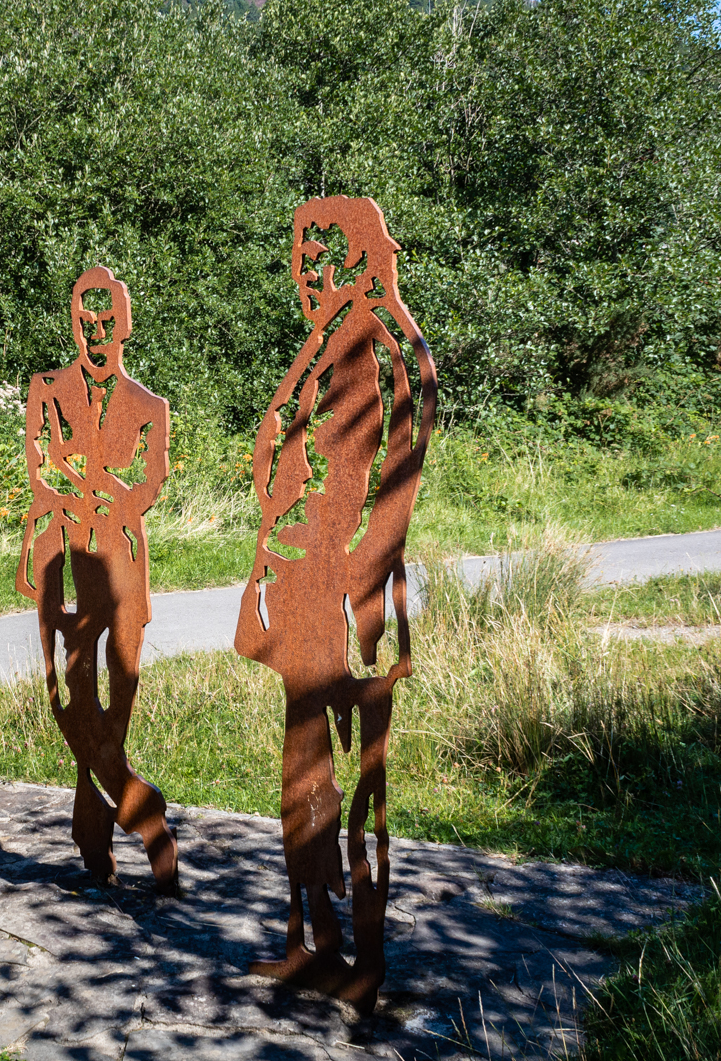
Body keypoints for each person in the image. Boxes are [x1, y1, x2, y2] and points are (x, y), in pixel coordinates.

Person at [235, 197, 437, 1012]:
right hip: (301, 586)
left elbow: (393, 488)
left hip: (350, 601)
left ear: (358, 258)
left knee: (357, 784)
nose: (308, 272)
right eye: (301, 256)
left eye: (324, 256)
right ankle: (308, 938)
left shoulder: (380, 346)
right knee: (302, 770)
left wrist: (358, 590)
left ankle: (366, 957)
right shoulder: (324, 342)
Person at [16, 266, 178, 892]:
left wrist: (120, 498)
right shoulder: (47, 389)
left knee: (120, 689)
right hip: (62, 555)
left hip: (122, 557)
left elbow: (154, 478)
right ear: (74, 324)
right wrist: (65, 494)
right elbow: (38, 468)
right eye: (87, 322)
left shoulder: (148, 406)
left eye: (107, 321)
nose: (97, 332)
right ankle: (144, 813)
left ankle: (96, 822)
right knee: (67, 692)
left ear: (124, 325)